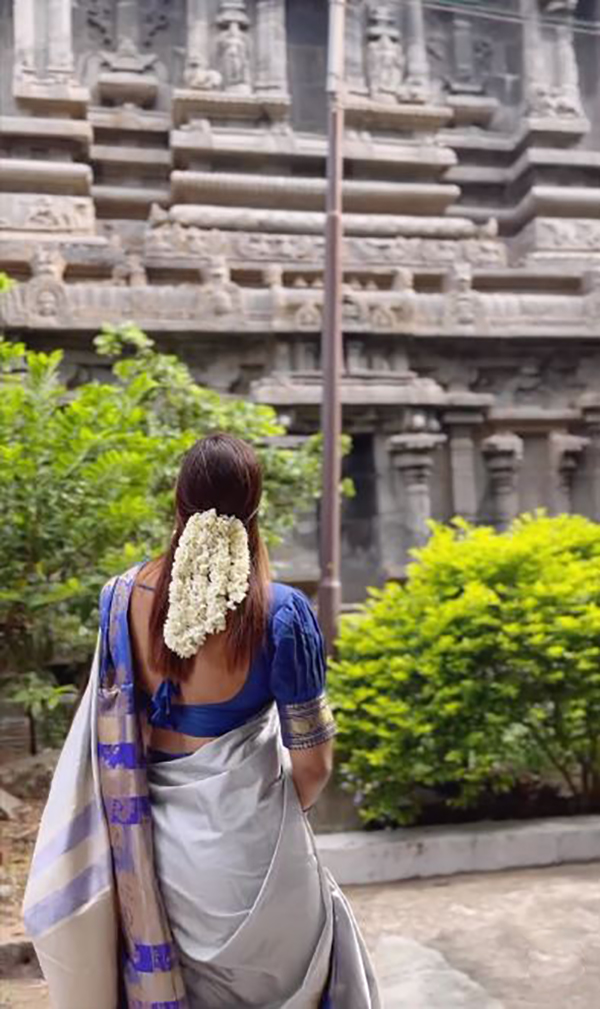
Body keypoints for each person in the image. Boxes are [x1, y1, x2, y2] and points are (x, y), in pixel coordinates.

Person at [23, 433, 380, 1008]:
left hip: (157, 863)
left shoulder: (121, 600)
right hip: (260, 863)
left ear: (178, 500)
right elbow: (313, 766)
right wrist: (264, 811)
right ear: (255, 505)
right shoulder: (282, 613)